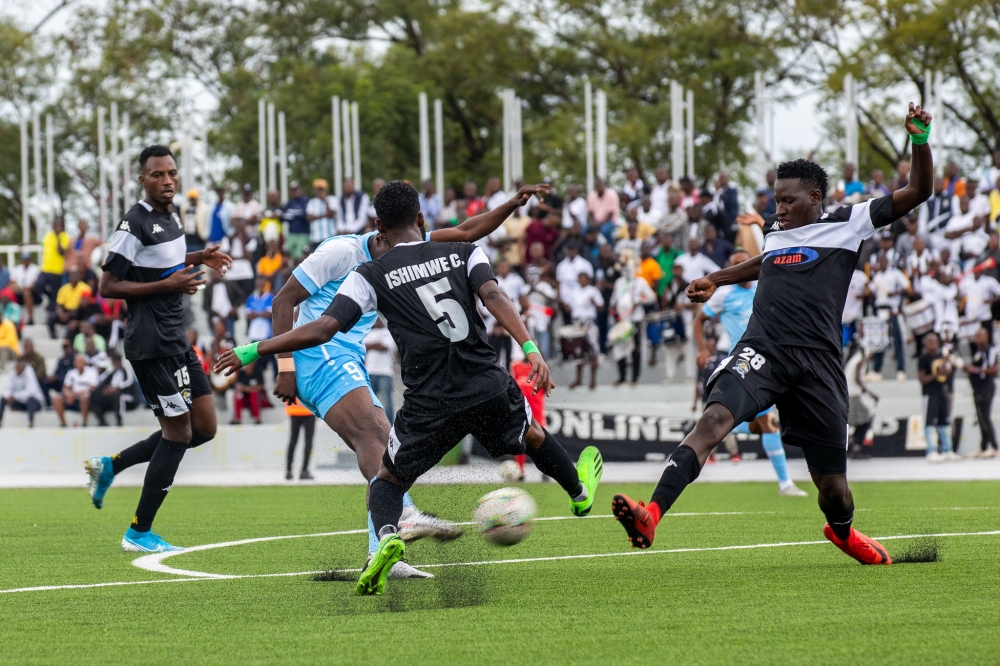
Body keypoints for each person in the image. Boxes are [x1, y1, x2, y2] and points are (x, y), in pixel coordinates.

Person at [215, 179, 603, 596]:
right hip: (328, 357)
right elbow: (287, 305)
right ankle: (414, 518)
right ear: (414, 220)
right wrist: (281, 365)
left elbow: (470, 229)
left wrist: (511, 204)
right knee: (379, 434)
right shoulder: (346, 253)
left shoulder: (384, 266)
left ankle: (385, 542)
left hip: (385, 373)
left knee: (385, 465)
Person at [612, 103, 934, 565]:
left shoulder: (849, 222)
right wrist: (717, 279)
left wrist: (918, 141)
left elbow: (919, 189)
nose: (778, 209)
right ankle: (651, 514)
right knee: (713, 422)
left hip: (818, 364)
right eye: (775, 200)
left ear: (816, 198)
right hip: (762, 350)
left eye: (788, 200)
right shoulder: (775, 232)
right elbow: (766, 262)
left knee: (834, 491)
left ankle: (842, 532)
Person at [84, 144, 233, 554]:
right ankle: (138, 532)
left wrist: (199, 255)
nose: (167, 180)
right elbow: (108, 285)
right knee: (179, 431)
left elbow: (162, 259)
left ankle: (110, 466)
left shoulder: (171, 217)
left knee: (203, 428)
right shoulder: (132, 223)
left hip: (176, 339)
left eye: (171, 173)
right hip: (149, 345)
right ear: (142, 179)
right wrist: (167, 286)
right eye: (158, 175)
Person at [692, 250, 808, 496]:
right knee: (768, 424)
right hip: (743, 364)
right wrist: (702, 349)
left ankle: (704, 433)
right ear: (729, 268)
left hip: (770, 360)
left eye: (744, 262)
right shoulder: (722, 294)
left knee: (760, 423)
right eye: (736, 264)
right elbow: (698, 320)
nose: (741, 267)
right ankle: (785, 483)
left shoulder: (763, 285)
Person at [918, 332, 959, 462]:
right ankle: (931, 450)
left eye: (935, 341)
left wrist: (949, 364)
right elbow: (922, 379)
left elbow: (951, 371)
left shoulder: (943, 356)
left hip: (943, 393)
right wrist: (937, 374)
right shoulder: (924, 359)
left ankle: (947, 450)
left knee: (945, 423)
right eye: (930, 341)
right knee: (930, 423)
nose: (933, 344)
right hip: (930, 394)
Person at [563, 271, 604, 390]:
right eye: (580, 278)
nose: (581, 280)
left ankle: (593, 380)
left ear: (588, 280)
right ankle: (579, 379)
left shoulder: (593, 291)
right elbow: (569, 307)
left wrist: (594, 303)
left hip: (589, 323)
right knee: (579, 351)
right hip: (577, 323)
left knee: (593, 351)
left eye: (584, 278)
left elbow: (602, 308)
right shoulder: (574, 292)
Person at [965, 328, 999, 458]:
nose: (977, 338)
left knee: (985, 416)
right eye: (976, 335)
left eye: (980, 336)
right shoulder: (977, 350)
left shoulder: (990, 350)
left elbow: (994, 369)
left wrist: (975, 370)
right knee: (980, 417)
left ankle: (994, 446)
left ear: (987, 336)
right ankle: (984, 446)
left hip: (986, 387)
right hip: (977, 387)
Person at [36, 218, 69, 338]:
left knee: (56, 296)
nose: (57, 227)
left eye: (59, 226)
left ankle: (50, 314)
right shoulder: (48, 235)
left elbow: (61, 251)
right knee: (38, 286)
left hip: (57, 271)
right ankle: (47, 298)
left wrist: (59, 237)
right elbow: (40, 243)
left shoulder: (64, 237)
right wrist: (26, 244)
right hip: (45, 269)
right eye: (55, 225)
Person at [364, 318, 397, 426]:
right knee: (370, 403)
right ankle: (374, 425)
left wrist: (370, 346)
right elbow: (363, 347)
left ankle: (389, 426)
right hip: (369, 372)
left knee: (386, 402)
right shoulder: (368, 332)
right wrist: (375, 344)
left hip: (385, 373)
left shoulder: (388, 332)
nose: (377, 320)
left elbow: (384, 347)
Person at [91, 353, 139, 427]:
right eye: (114, 361)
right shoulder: (112, 373)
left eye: (117, 361)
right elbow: (103, 384)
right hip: (112, 398)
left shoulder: (126, 370)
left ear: (120, 361)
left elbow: (129, 382)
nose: (115, 363)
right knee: (95, 395)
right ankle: (102, 421)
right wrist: (104, 390)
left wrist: (117, 388)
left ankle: (119, 421)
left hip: (127, 396)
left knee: (118, 396)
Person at [219, 218, 258, 308]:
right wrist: (240, 257)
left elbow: (249, 257)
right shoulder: (228, 239)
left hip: (246, 273)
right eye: (237, 226)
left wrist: (242, 242)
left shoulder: (250, 239)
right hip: (232, 274)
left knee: (246, 298)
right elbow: (227, 256)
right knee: (233, 300)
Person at [0, 359, 44, 427]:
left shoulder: (29, 373)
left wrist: (14, 396)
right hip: (21, 403)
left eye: (20, 365)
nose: (18, 367)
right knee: (3, 398)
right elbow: (7, 388)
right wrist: (8, 396)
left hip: (35, 403)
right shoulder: (13, 373)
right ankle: (0, 421)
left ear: (23, 366)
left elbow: (30, 392)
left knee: (30, 400)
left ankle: (31, 422)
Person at [63, 353, 99, 425]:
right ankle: (63, 423)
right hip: (73, 399)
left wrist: (74, 394)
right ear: (74, 363)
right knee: (57, 398)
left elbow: (92, 387)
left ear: (85, 363)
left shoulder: (92, 371)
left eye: (81, 361)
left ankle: (84, 422)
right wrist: (68, 394)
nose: (79, 363)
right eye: (77, 361)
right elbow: (65, 387)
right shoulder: (71, 373)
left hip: (88, 398)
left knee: (84, 397)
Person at [285, 399, 316, 480]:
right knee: (308, 442)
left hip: (294, 409)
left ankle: (288, 471)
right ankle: (304, 471)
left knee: (293, 441)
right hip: (308, 410)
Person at [283, 182, 311, 260]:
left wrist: (293, 215)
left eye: (296, 190)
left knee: (300, 257)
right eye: (293, 190)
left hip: (303, 233)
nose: (294, 192)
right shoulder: (289, 203)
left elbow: (305, 215)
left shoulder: (306, 201)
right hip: (291, 234)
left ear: (300, 190)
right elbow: (285, 217)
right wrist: (298, 214)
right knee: (288, 256)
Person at [10, 250, 40, 325]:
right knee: (8, 294)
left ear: (30, 260)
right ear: (21, 260)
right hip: (19, 292)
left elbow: (35, 284)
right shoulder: (16, 269)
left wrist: (25, 288)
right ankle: (12, 320)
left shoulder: (35, 269)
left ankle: (30, 319)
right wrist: (19, 288)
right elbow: (12, 283)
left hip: (33, 293)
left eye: (27, 259)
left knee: (27, 293)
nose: (26, 261)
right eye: (24, 259)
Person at [587, 177, 621, 242]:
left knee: (604, 231)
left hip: (610, 222)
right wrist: (593, 223)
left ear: (604, 185)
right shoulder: (591, 195)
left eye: (600, 185)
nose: (598, 187)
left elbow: (610, 214)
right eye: (597, 185)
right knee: (585, 229)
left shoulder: (612, 194)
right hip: (595, 223)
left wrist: (599, 225)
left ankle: (611, 248)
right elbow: (591, 213)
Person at [231, 359, 264, 425]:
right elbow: (238, 386)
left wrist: (246, 388)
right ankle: (238, 419)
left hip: (256, 397)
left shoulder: (258, 371)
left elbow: (260, 387)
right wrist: (247, 389)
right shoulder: (241, 372)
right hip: (245, 397)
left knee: (253, 394)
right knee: (238, 395)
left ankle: (257, 418)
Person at [307, 179, 336, 245]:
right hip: (315, 238)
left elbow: (331, 214)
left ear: (326, 190)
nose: (319, 192)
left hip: (329, 236)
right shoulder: (312, 202)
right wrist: (324, 215)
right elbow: (309, 217)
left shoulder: (332, 199)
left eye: (321, 189)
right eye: (318, 189)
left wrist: (325, 200)